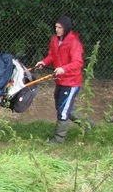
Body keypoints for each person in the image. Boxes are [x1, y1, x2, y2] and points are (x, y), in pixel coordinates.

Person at [35, 16, 87, 144]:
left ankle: (59, 139)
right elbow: (52, 55)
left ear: (66, 28)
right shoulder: (54, 40)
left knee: (63, 110)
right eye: (56, 27)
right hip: (59, 80)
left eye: (60, 28)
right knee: (61, 107)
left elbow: (78, 62)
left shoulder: (74, 43)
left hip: (71, 81)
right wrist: (44, 62)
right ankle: (87, 124)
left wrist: (63, 69)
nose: (57, 30)